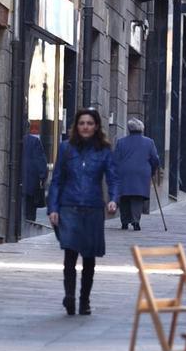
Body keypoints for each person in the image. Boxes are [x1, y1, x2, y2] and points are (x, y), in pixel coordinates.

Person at [47, 109, 119, 316]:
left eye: (89, 123)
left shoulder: (104, 151)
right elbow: (57, 180)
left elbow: (113, 178)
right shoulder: (66, 149)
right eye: (82, 123)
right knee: (70, 253)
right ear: (76, 127)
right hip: (69, 207)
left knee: (89, 257)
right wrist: (53, 208)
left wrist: (113, 199)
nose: (85, 127)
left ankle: (84, 300)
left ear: (96, 126)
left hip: (93, 209)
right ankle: (69, 296)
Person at [114, 118, 160, 231]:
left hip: (124, 172)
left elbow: (115, 159)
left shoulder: (121, 141)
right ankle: (136, 221)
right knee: (137, 197)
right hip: (141, 173)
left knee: (124, 196)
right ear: (142, 128)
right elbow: (155, 159)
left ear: (129, 129)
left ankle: (124, 222)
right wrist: (152, 170)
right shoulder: (149, 142)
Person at [22, 124, 47, 222]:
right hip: (30, 183)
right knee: (30, 212)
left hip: (16, 185)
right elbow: (41, 162)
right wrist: (42, 177)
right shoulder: (34, 141)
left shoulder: (13, 140)